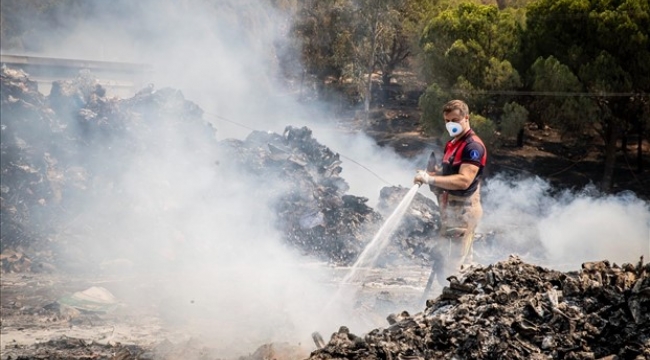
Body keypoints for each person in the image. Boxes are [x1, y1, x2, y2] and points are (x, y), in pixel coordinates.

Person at [414, 99, 487, 283]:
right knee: (446, 261)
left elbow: (464, 180)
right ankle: (449, 302)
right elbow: (449, 172)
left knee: (455, 267)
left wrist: (430, 179)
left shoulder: (473, 147)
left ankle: (458, 304)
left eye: (454, 120)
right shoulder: (453, 143)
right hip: (450, 211)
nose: (450, 124)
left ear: (466, 118)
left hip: (463, 212)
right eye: (447, 121)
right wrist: (433, 174)